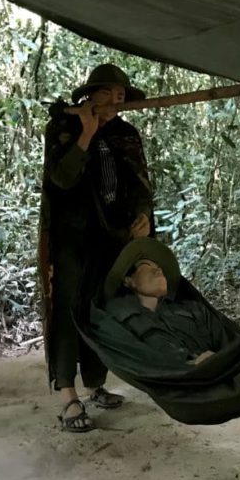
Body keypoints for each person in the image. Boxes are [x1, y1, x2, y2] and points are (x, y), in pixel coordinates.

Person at [38, 64, 154, 433]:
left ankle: (96, 384)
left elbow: (139, 182)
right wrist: (86, 133)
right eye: (107, 92)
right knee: (69, 308)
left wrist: (143, 216)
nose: (114, 100)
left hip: (113, 237)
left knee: (103, 308)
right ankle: (68, 397)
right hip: (72, 238)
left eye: (119, 95)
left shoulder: (125, 133)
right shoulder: (63, 128)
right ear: (90, 96)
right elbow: (61, 179)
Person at [101, 237, 236, 367]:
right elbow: (148, 353)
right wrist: (191, 362)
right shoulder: (122, 314)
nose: (158, 270)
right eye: (147, 266)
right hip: (183, 380)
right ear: (129, 281)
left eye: (159, 268)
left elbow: (230, 340)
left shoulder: (193, 309)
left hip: (228, 372)